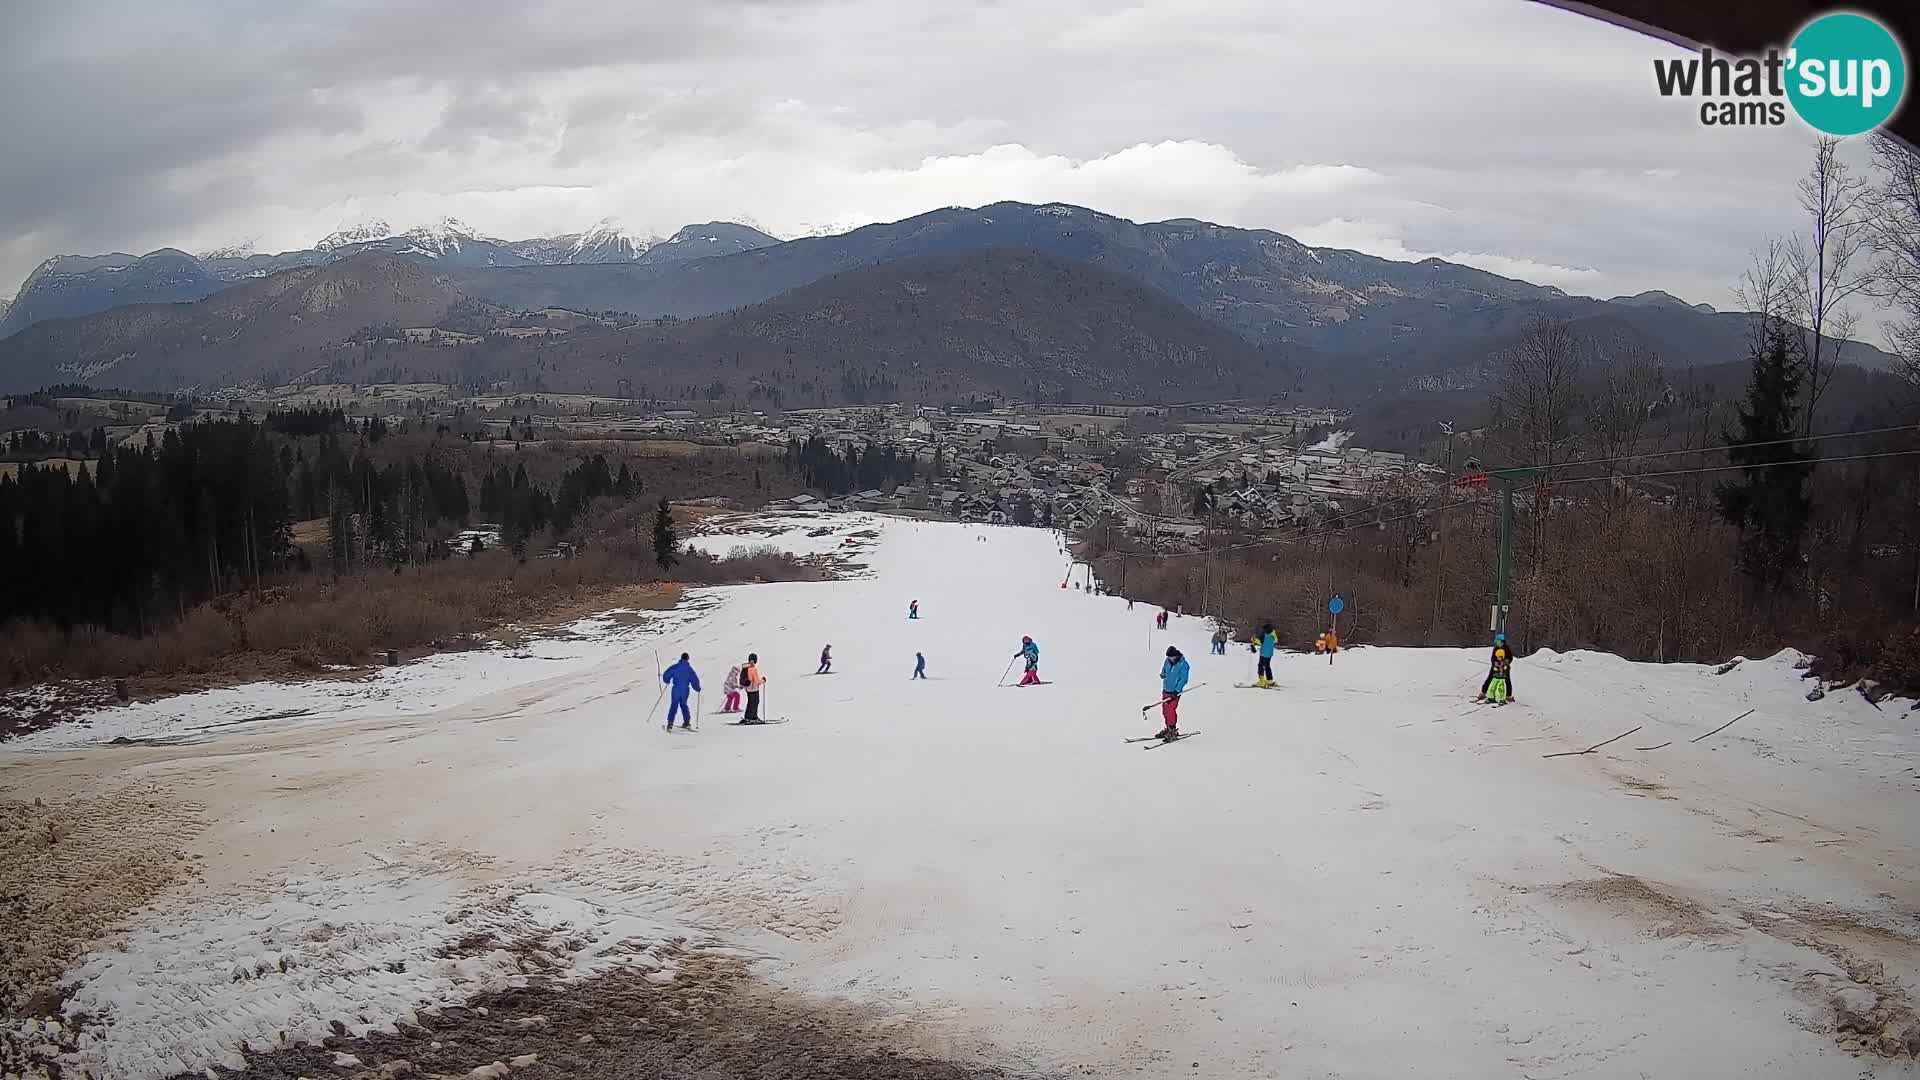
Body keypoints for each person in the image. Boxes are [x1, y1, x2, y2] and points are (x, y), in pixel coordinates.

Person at [1156, 645, 1191, 740]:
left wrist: (1177, 690)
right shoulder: (1167, 661)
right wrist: (1163, 674)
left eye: (1170, 657)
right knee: (1165, 711)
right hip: (1166, 689)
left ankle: (1173, 730)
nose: (1168, 658)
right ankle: (1168, 728)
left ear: (1175, 655)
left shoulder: (1183, 664)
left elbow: (1183, 679)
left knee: (1171, 710)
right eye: (1168, 657)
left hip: (1174, 692)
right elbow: (1164, 669)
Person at [661, 652, 701, 731]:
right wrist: (697, 688)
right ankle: (687, 722)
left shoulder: (675, 667)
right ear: (687, 659)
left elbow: (667, 674)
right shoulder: (689, 669)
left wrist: (667, 680)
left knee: (674, 705)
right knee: (684, 705)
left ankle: (670, 723)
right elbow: (694, 679)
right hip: (685, 690)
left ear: (681, 658)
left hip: (676, 689)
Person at [1475, 633, 1515, 703]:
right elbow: (1493, 658)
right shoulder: (1496, 648)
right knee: (1489, 678)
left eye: (1498, 641)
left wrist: (1506, 662)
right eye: (1496, 641)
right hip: (1495, 667)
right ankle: (1483, 692)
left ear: (1502, 641)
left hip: (1505, 668)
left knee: (1507, 680)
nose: (1497, 643)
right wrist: (1495, 663)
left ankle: (1508, 695)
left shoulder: (1507, 648)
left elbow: (1510, 657)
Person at [741, 653, 767, 723]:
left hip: (748, 689)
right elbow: (756, 681)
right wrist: (763, 680)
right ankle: (753, 718)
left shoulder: (746, 667)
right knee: (755, 702)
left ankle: (748, 717)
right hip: (754, 688)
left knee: (750, 702)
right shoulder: (752, 669)